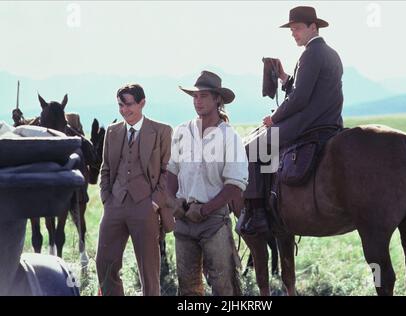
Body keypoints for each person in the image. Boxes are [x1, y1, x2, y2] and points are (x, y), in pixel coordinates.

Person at [241, 6, 344, 235]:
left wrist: (273, 118)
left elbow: (300, 98)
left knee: (251, 148)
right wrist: (284, 77)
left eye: (298, 28)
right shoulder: (329, 53)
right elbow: (306, 89)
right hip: (329, 122)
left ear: (313, 27)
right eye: (292, 30)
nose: (294, 33)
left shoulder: (311, 53)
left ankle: (257, 213)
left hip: (308, 124)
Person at [166, 71, 248, 296]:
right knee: (187, 286)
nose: (198, 101)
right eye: (195, 96)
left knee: (223, 284)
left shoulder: (229, 137)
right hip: (183, 217)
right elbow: (171, 171)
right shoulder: (182, 132)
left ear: (217, 99)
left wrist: (205, 209)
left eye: (203, 96)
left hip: (213, 221)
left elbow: (234, 184)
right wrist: (173, 201)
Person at [96, 84, 172, 296]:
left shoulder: (162, 131)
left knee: (149, 272)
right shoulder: (112, 131)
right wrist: (106, 199)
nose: (124, 110)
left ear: (142, 103)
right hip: (115, 205)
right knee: (104, 264)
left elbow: (168, 171)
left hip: (145, 206)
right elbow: (106, 168)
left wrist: (154, 203)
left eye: (129, 104)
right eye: (120, 105)